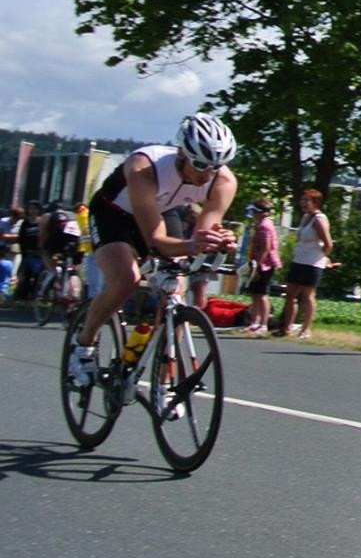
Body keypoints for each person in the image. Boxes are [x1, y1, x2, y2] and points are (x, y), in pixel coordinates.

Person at [68, 115, 240, 390]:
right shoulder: (144, 167)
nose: (206, 175)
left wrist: (217, 241)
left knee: (175, 291)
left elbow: (200, 238)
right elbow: (157, 240)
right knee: (126, 279)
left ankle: (165, 383)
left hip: (162, 211)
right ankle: (83, 345)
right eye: (200, 164)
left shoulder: (223, 182)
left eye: (215, 166)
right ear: (181, 153)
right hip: (114, 215)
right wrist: (195, 245)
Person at [278, 189, 335, 339]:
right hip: (299, 260)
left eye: (306, 201)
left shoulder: (319, 219)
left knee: (308, 296)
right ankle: (287, 327)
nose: (303, 203)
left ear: (315, 203)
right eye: (302, 200)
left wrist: (324, 258)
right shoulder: (305, 218)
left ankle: (306, 329)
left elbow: (328, 244)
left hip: (312, 262)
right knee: (290, 294)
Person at [239, 200, 280, 335]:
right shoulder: (260, 225)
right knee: (255, 294)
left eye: (255, 212)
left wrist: (257, 268)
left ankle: (263, 324)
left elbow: (265, 248)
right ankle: (254, 322)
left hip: (265, 265)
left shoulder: (265, 226)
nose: (253, 214)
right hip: (257, 262)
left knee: (262, 295)